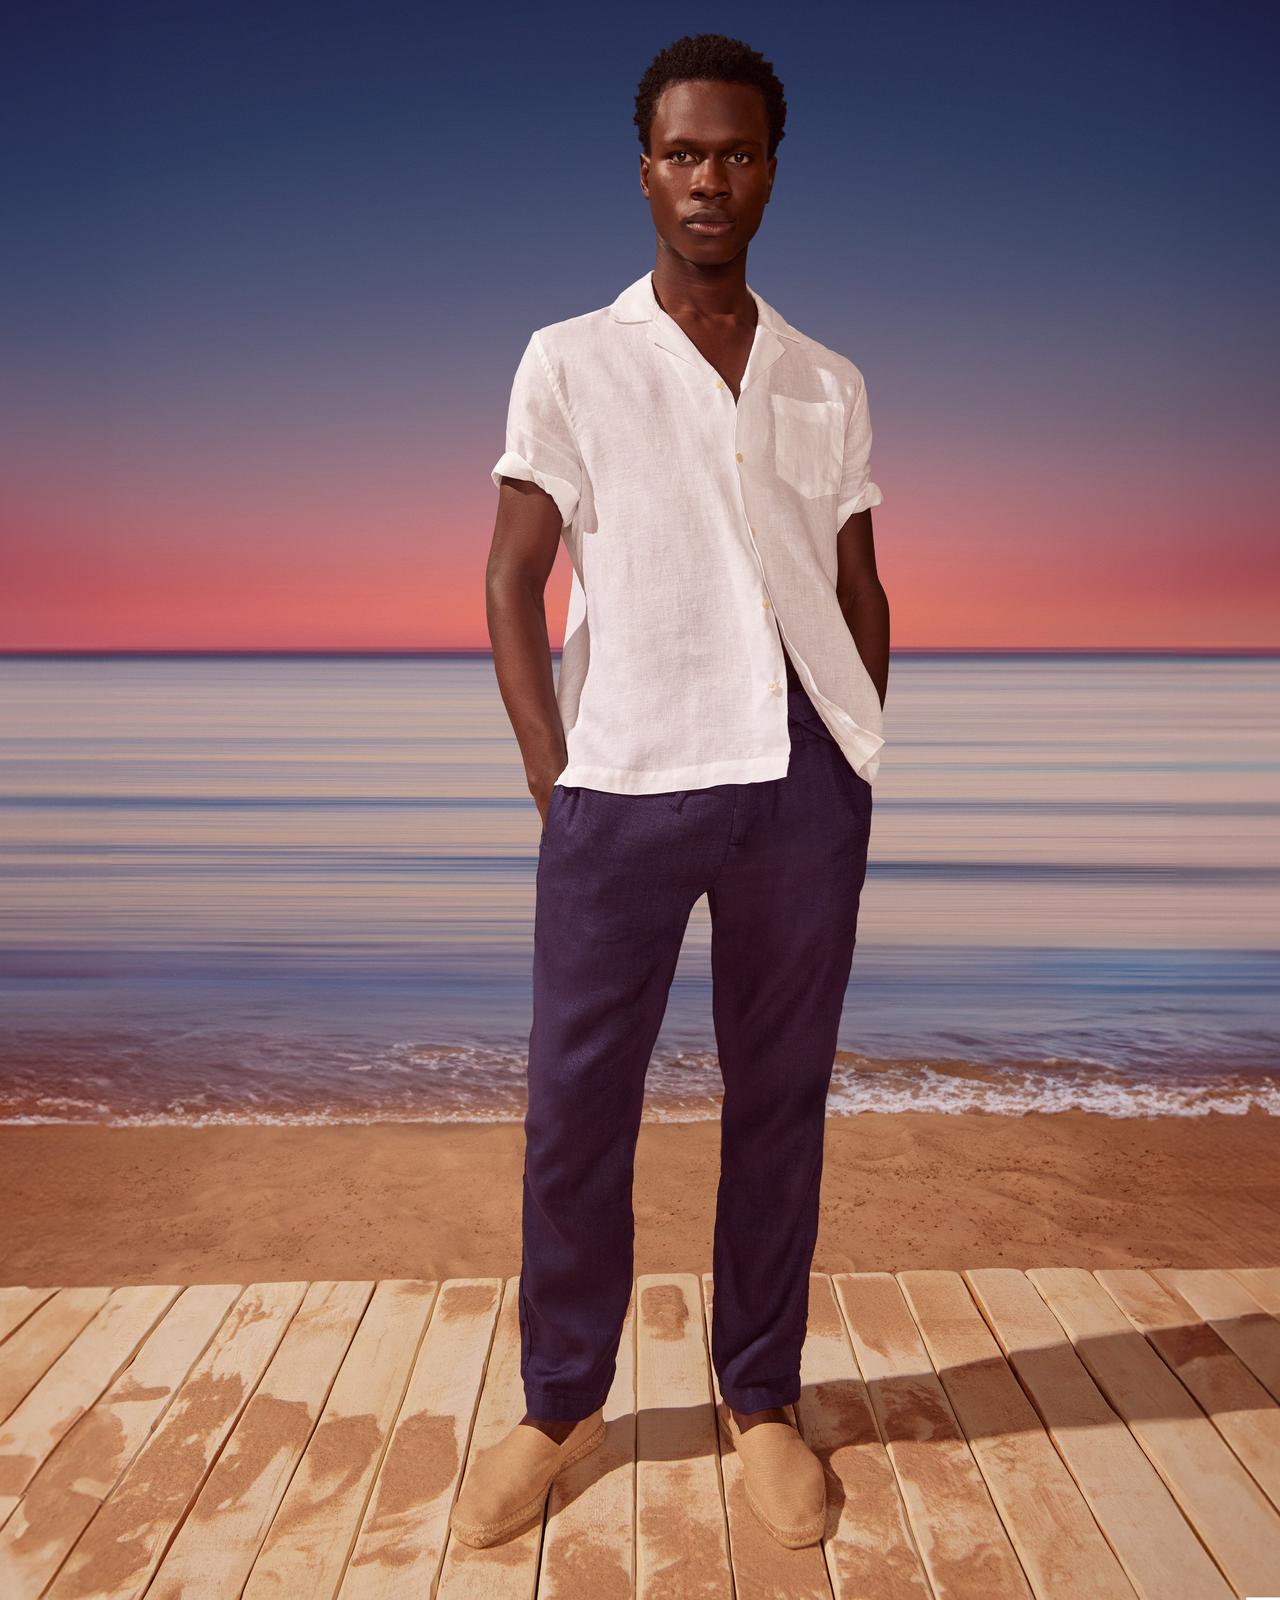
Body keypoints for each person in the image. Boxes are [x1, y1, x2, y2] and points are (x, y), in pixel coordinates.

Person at [451, 31, 889, 1552]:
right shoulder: (569, 357)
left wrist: (858, 749)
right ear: (644, 167)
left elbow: (857, 584)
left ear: (773, 168)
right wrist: (549, 773)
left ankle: (759, 1396)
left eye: (740, 152)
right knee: (578, 1110)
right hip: (622, 784)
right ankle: (557, 1400)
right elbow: (513, 581)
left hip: (799, 790)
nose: (712, 177)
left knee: (780, 1109)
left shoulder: (825, 378)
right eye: (685, 152)